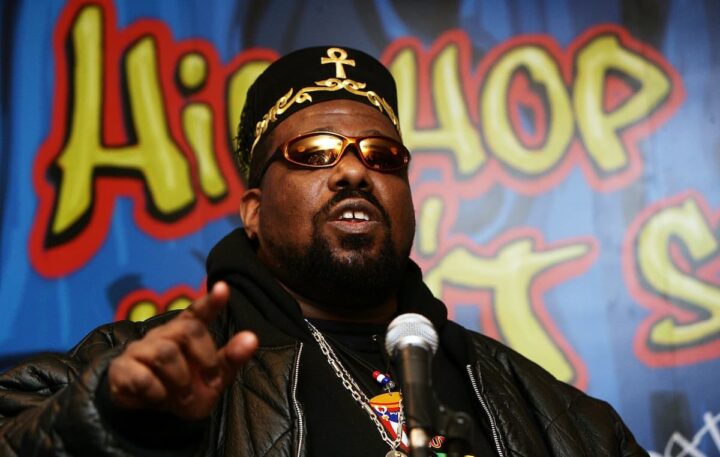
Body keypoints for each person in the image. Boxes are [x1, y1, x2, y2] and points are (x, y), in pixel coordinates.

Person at [0, 46, 647, 457]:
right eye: (314, 153)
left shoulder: (547, 409)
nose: (354, 171)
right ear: (253, 211)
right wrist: (112, 421)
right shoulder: (149, 369)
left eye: (381, 155)